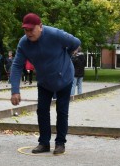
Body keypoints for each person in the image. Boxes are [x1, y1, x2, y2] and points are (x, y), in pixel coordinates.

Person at [9, 13, 80, 155]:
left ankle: (60, 143)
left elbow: (75, 42)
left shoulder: (55, 34)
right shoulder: (24, 43)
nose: (28, 33)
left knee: (62, 110)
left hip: (64, 78)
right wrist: (15, 90)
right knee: (41, 110)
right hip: (44, 81)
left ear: (40, 27)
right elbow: (17, 66)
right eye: (26, 30)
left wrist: (67, 55)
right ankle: (44, 143)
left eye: (31, 29)